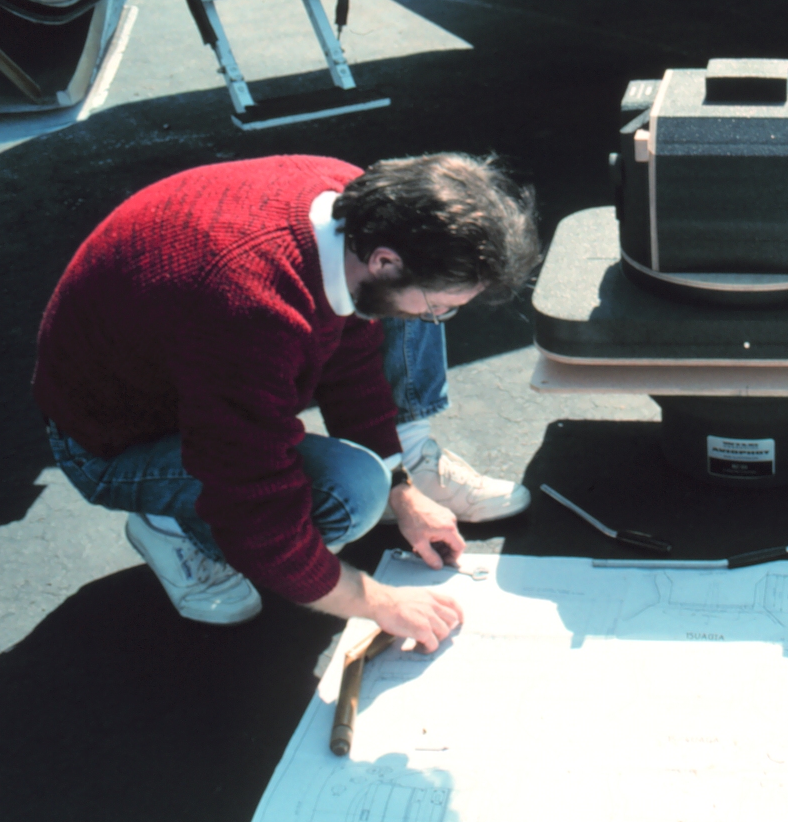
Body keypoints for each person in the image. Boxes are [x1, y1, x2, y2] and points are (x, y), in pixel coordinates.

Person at [33, 153, 540, 651]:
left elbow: (353, 361)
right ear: (385, 261)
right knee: (350, 494)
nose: (437, 319)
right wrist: (379, 602)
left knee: (387, 415)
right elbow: (257, 509)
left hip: (179, 383)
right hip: (112, 442)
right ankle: (170, 525)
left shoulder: (351, 203)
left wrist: (402, 490)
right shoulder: (250, 309)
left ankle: (395, 470)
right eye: (442, 307)